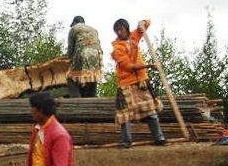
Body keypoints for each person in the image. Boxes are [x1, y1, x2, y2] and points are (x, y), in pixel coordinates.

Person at [111, 18, 166, 148]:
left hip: (141, 81)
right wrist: (147, 66)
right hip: (126, 83)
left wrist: (142, 24)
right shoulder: (117, 49)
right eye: (117, 30)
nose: (119, 32)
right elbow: (127, 66)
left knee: (151, 110)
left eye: (121, 29)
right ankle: (125, 142)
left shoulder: (134, 37)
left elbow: (148, 22)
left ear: (126, 28)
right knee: (126, 115)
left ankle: (159, 137)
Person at [66, 16, 103, 98]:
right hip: (97, 54)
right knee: (93, 76)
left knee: (71, 77)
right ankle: (92, 97)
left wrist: (69, 60)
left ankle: (77, 100)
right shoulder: (93, 29)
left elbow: (71, 48)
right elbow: (98, 43)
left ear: (74, 22)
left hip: (82, 53)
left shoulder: (73, 29)